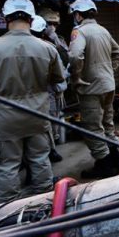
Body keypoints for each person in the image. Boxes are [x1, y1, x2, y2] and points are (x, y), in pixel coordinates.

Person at [0, 0, 65, 203]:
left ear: (6, 18)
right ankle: (44, 209)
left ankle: (11, 217)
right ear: (31, 19)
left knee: (6, 167)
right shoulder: (47, 48)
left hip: (3, 119)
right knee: (40, 161)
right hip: (37, 115)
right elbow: (58, 78)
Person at [68, 0, 119, 179]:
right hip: (108, 85)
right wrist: (108, 71)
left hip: (91, 88)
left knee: (93, 129)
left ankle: (105, 168)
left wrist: (77, 77)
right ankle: (118, 163)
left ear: (78, 14)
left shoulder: (80, 31)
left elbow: (76, 55)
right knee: (107, 125)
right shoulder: (103, 30)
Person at [31, 16, 66, 164]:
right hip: (45, 93)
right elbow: (60, 74)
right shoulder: (48, 47)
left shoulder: (1, 46)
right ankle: (49, 152)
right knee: (48, 124)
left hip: (24, 99)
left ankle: (48, 151)